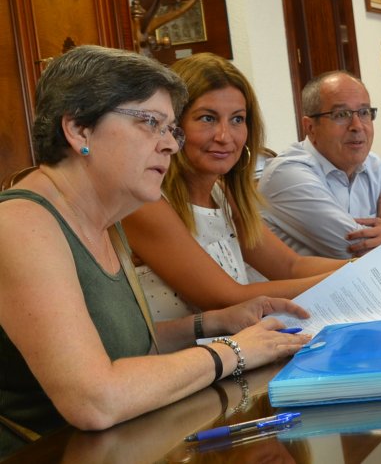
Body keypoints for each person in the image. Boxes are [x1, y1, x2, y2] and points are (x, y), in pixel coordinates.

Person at [0, 46, 309, 455]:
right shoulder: (21, 224)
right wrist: (234, 351)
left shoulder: (106, 218)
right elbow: (95, 400)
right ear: (78, 130)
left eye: (171, 129)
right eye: (150, 123)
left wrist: (213, 322)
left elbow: (121, 344)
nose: (171, 146)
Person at [123, 54, 347, 318]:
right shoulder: (145, 201)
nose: (224, 136)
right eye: (207, 118)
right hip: (179, 358)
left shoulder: (222, 194)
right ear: (173, 125)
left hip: (233, 351)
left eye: (237, 119)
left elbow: (290, 266)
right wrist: (354, 277)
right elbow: (226, 298)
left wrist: (368, 264)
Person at [259, 71, 381, 258]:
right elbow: (356, 248)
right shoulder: (287, 174)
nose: (357, 126)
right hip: (303, 288)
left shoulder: (372, 165)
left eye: (364, 113)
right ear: (310, 127)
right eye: (342, 114)